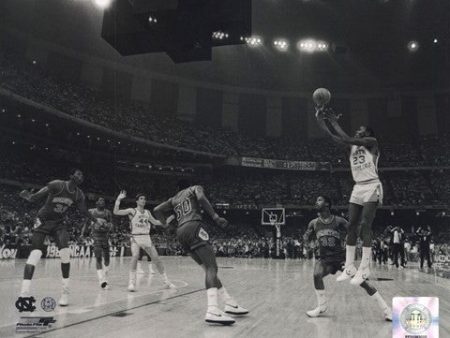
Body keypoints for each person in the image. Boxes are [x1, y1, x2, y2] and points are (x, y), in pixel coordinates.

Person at [153, 180, 248, 325]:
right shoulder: (194, 188)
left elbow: (157, 210)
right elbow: (201, 198)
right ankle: (212, 309)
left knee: (208, 269)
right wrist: (215, 217)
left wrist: (166, 226)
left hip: (181, 233)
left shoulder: (173, 199)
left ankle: (229, 302)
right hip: (194, 227)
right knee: (212, 268)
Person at [316, 108, 382, 285]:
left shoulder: (371, 142)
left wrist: (334, 121)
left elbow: (348, 138)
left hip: (371, 184)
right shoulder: (351, 147)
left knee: (365, 226)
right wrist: (321, 120)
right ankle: (350, 266)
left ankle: (365, 267)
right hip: (358, 187)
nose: (357, 130)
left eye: (360, 129)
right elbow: (332, 136)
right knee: (351, 225)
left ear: (367, 133)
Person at [18, 169, 101, 306]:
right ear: (71, 176)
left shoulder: (79, 194)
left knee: (65, 253)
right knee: (36, 253)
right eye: (78, 173)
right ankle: (24, 291)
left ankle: (65, 292)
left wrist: (95, 220)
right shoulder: (57, 184)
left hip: (58, 224)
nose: (81, 176)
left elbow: (83, 211)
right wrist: (28, 196)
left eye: (82, 175)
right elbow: (36, 197)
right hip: (43, 221)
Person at [304, 196, 392, 321]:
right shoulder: (313, 223)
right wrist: (308, 245)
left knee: (363, 283)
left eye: (319, 200)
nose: (316, 202)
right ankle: (322, 306)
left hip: (341, 258)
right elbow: (306, 236)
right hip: (324, 259)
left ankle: (387, 310)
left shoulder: (339, 221)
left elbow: (354, 231)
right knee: (316, 274)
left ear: (327, 204)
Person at [113, 191, 174, 291]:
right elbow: (116, 212)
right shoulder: (132, 211)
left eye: (144, 199)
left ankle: (166, 281)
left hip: (146, 237)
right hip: (136, 237)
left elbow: (156, 222)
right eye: (141, 198)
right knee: (135, 256)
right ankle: (131, 283)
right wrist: (118, 199)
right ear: (137, 201)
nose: (143, 200)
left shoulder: (147, 212)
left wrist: (166, 221)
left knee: (157, 259)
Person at [82, 197, 113, 289]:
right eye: (100, 200)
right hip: (96, 236)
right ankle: (101, 280)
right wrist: (82, 234)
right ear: (96, 203)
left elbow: (111, 224)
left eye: (103, 200)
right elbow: (86, 223)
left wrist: (108, 226)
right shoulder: (91, 211)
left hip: (105, 237)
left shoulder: (107, 213)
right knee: (98, 257)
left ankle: (105, 276)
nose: (102, 201)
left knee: (107, 259)